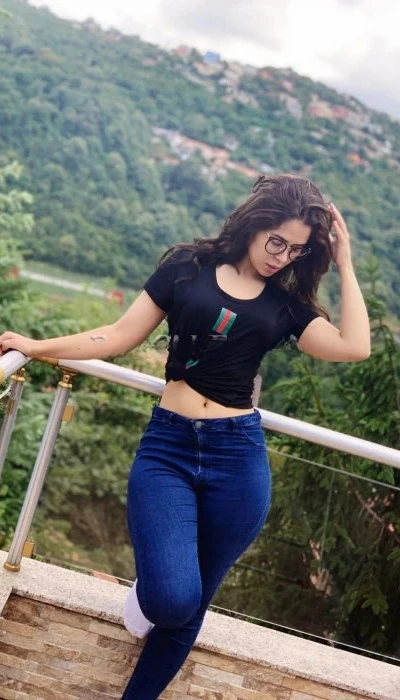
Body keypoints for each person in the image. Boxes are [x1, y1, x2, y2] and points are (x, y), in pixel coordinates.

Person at [0, 175, 370, 699]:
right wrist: (37, 346)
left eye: (297, 250)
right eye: (277, 242)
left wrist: (345, 262)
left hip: (238, 460)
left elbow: (355, 347)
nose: (283, 257)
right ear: (256, 224)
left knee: (191, 606)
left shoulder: (284, 307)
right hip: (168, 449)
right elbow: (119, 335)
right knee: (172, 599)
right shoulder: (187, 267)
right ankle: (152, 588)